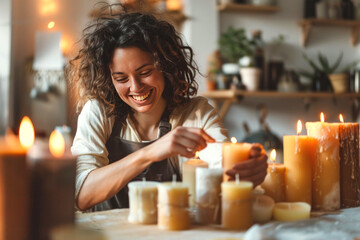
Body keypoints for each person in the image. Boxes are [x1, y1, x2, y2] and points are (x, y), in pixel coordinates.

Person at [68, 6, 268, 212]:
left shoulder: (195, 113)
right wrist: (151, 152)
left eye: (145, 72)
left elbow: (223, 165)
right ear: (109, 79)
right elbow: (82, 194)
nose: (136, 87)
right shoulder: (98, 111)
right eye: (121, 78)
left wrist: (247, 168)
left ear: (165, 65)